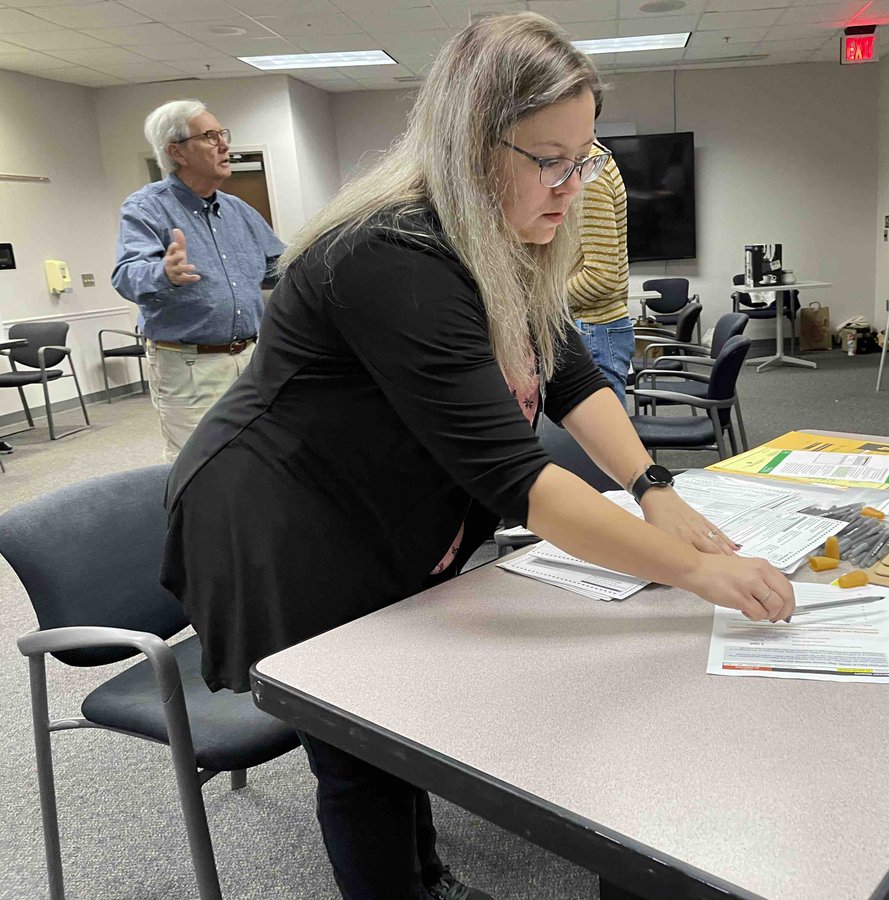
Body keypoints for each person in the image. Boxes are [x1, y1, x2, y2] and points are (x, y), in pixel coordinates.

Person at [161, 13, 794, 900]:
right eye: (551, 160)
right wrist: (695, 572)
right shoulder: (388, 253)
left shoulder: (497, 235)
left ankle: (426, 874)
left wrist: (653, 487)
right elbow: (515, 477)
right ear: (472, 142)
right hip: (281, 516)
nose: (572, 186)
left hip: (374, 494)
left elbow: (566, 372)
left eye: (584, 159)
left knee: (396, 713)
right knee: (358, 753)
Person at [111, 99, 285, 461]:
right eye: (210, 136)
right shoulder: (147, 207)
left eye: (222, 134)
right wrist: (164, 273)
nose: (224, 144)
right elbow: (126, 275)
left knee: (257, 457)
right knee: (197, 466)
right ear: (177, 152)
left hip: (249, 359)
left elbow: (280, 268)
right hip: (189, 367)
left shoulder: (239, 211)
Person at [566, 149, 633, 394]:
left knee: (601, 420)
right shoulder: (586, 166)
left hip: (593, 328)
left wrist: (540, 302)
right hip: (592, 329)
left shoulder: (590, 170)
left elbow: (600, 278)